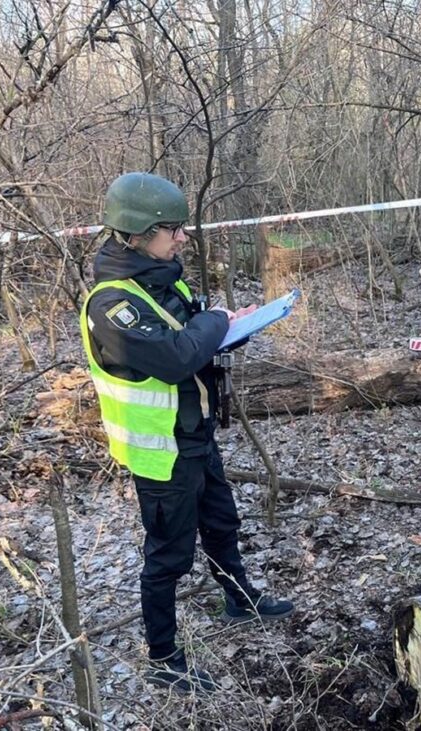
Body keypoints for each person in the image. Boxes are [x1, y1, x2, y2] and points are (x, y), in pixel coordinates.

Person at [79, 172, 294, 694]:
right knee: (168, 555)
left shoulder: (161, 279)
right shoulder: (113, 305)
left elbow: (194, 331)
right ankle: (163, 656)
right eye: (171, 229)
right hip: (161, 452)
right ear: (137, 232)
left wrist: (227, 323)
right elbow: (177, 356)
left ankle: (239, 601)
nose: (181, 239)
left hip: (194, 434)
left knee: (221, 522)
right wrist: (216, 323)